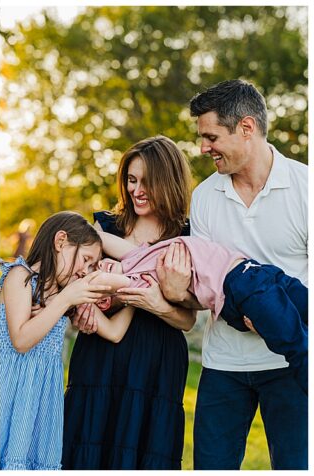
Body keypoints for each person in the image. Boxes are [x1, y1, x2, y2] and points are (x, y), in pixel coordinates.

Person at [184, 79, 308, 470]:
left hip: (292, 365)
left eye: (211, 136)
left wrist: (276, 315)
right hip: (224, 367)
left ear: (247, 128)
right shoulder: (204, 197)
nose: (203, 148)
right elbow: (204, 283)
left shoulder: (305, 188)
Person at [62, 136, 198, 469]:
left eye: (147, 183)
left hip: (158, 359)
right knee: (90, 442)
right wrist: (83, 310)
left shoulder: (187, 238)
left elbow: (187, 320)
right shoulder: (105, 227)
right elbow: (73, 284)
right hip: (101, 355)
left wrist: (155, 302)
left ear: (169, 183)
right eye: (131, 180)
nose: (136, 190)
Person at [93, 231, 307, 392]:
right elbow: (116, 291)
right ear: (106, 298)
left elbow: (96, 237)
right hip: (240, 289)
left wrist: (70, 231)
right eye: (94, 275)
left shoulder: (133, 258)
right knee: (296, 344)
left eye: (95, 263)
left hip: (256, 271)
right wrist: (84, 287)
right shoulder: (138, 286)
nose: (99, 266)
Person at [0, 211, 121, 470]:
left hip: (42, 400)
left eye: (91, 267)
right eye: (86, 260)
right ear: (60, 241)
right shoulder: (21, 277)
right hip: (11, 389)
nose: (85, 272)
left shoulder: (68, 296)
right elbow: (21, 339)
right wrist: (65, 300)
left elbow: (113, 331)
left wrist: (137, 296)